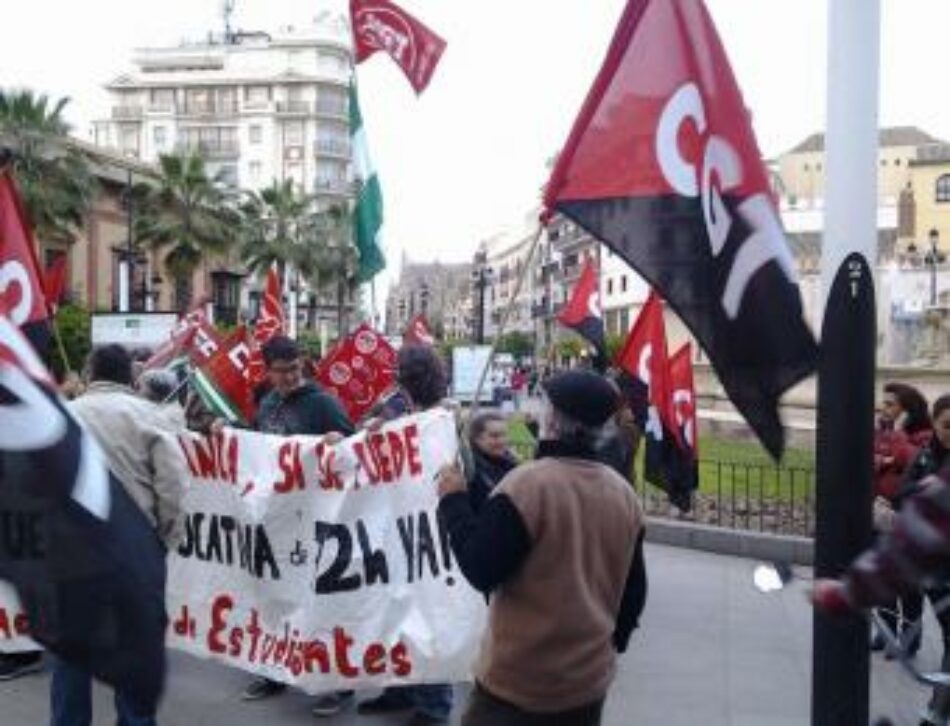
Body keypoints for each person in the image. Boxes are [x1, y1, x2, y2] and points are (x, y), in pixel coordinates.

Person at [437, 370, 647, 725]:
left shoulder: (527, 485)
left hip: (517, 687)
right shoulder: (623, 493)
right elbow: (634, 591)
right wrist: (613, 645)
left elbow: (479, 568)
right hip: (587, 683)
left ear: (552, 419)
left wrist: (453, 501)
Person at [51, 344, 186, 726]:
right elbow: (173, 485)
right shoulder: (151, 416)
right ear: (131, 377)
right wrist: (163, 538)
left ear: (90, 375)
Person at [237, 336, 356, 717]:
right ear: (267, 371)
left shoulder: (323, 404)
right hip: (278, 521)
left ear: (302, 365)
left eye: (294, 369)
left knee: (323, 602)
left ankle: (338, 684)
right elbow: (259, 452)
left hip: (318, 520)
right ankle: (275, 670)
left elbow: (355, 454)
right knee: (276, 597)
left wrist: (341, 442)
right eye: (280, 371)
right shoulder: (268, 402)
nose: (289, 377)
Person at [357, 344, 456, 725]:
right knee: (396, 610)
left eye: (403, 375)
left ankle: (434, 706)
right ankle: (400, 689)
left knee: (429, 616)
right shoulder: (403, 410)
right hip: (398, 527)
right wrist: (375, 430)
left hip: (430, 530)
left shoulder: (441, 418)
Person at [873, 382, 932, 653]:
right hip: (880, 514)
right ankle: (885, 632)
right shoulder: (883, 433)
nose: (882, 408)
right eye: (883, 403)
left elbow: (910, 464)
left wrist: (893, 445)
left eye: (889, 404)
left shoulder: (922, 438)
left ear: (906, 410)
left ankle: (909, 639)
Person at [467, 411, 518, 512]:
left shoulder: (510, 465)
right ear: (477, 439)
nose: (502, 441)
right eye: (495, 436)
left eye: (504, 435)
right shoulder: (469, 470)